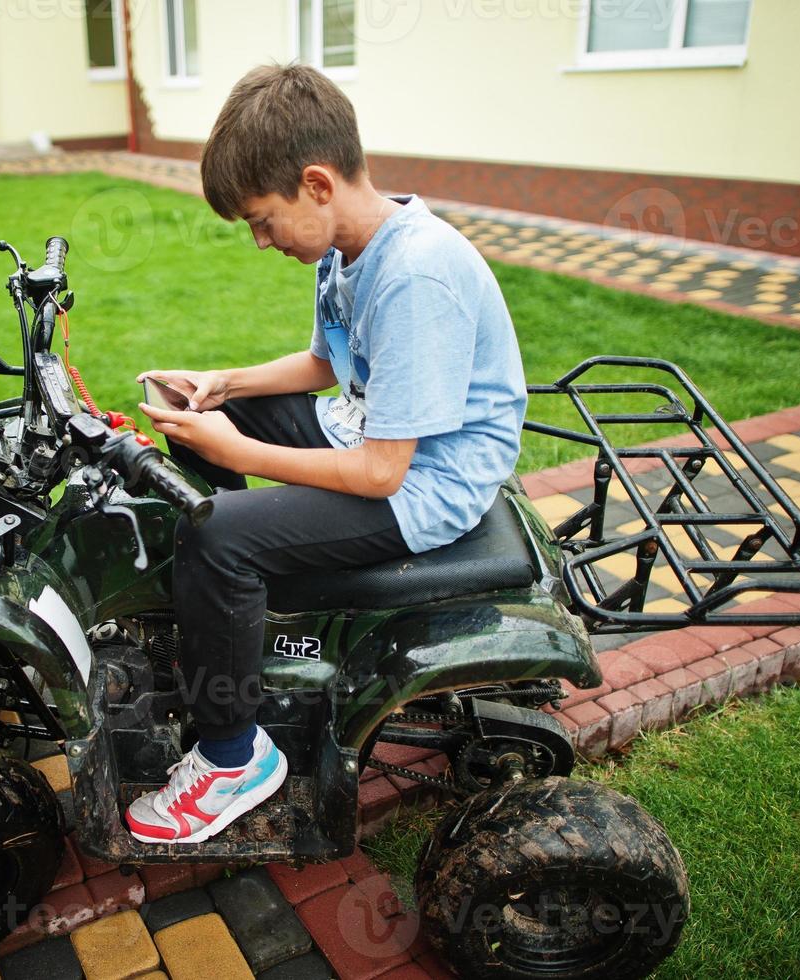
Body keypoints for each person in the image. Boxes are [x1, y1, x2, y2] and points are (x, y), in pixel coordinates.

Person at [125, 63, 527, 845]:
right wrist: (222, 385)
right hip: (371, 438)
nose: (260, 240)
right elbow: (325, 363)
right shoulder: (349, 247)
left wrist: (235, 450)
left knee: (215, 533)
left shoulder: (414, 275)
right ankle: (246, 597)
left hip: (426, 488)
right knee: (227, 428)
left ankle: (233, 759)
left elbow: (384, 474)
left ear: (315, 183)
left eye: (261, 219)